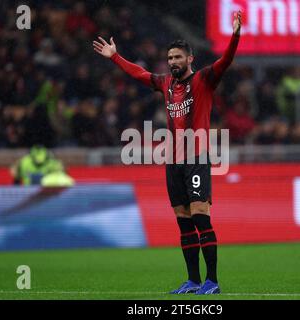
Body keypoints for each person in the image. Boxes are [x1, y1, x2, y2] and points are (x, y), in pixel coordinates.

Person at [93, 11, 242, 294]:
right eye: (170, 58)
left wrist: (235, 36)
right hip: (173, 162)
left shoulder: (204, 80)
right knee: (183, 221)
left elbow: (226, 61)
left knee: (200, 215)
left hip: (196, 157)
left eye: (177, 57)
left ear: (190, 59)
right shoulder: (166, 83)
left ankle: (212, 281)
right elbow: (140, 73)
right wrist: (115, 56)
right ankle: (193, 280)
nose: (173, 62)